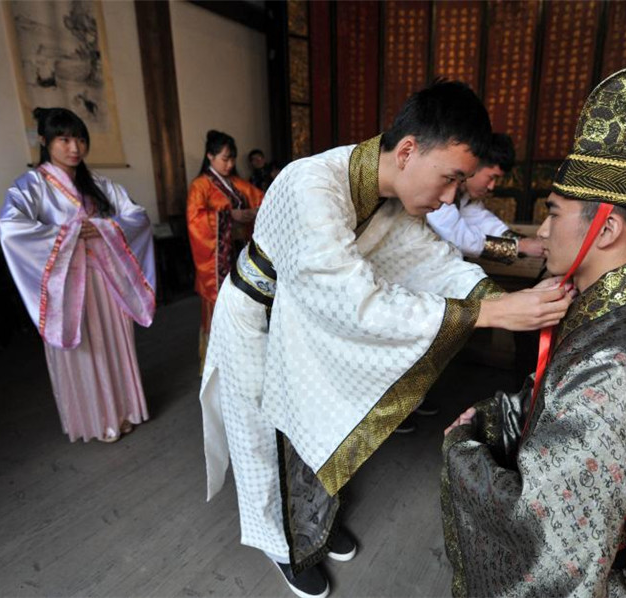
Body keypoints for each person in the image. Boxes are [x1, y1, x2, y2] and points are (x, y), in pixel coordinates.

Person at [199, 80, 575, 598]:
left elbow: (432, 262)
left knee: (315, 426)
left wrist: (493, 296)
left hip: (304, 328)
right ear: (406, 151)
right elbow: (356, 303)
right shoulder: (312, 186)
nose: (449, 198)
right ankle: (282, 543)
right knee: (268, 440)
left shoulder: (389, 197)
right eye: (449, 180)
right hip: (256, 321)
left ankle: (314, 523)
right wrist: (489, 312)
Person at [441, 63, 626, 596]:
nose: (542, 229)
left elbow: (542, 535)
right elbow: (560, 406)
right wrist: (496, 416)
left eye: (553, 214)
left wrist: (462, 448)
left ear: (605, 228)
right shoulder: (623, 309)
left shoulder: (624, 373)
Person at [0, 107, 156, 443]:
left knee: (113, 343)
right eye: (64, 139)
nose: (74, 147)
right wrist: (67, 235)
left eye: (80, 139)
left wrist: (103, 227)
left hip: (105, 281)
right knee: (86, 349)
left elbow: (137, 216)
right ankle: (99, 420)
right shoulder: (31, 186)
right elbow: (11, 230)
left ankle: (126, 410)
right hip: (68, 286)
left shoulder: (97, 183)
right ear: (44, 141)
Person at [186, 131, 264, 373]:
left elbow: (263, 199)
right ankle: (216, 366)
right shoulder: (200, 186)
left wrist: (254, 212)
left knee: (243, 304)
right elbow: (194, 220)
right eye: (225, 159)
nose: (230, 164)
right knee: (218, 308)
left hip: (240, 254)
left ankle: (243, 359)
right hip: (217, 260)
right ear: (210, 156)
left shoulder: (238, 184)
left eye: (232, 159)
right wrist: (229, 216)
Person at [427, 133, 544, 263]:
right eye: (491, 177)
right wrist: (519, 247)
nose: (491, 186)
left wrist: (523, 242)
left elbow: (483, 221)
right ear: (474, 166)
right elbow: (457, 237)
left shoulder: (465, 195)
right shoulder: (440, 188)